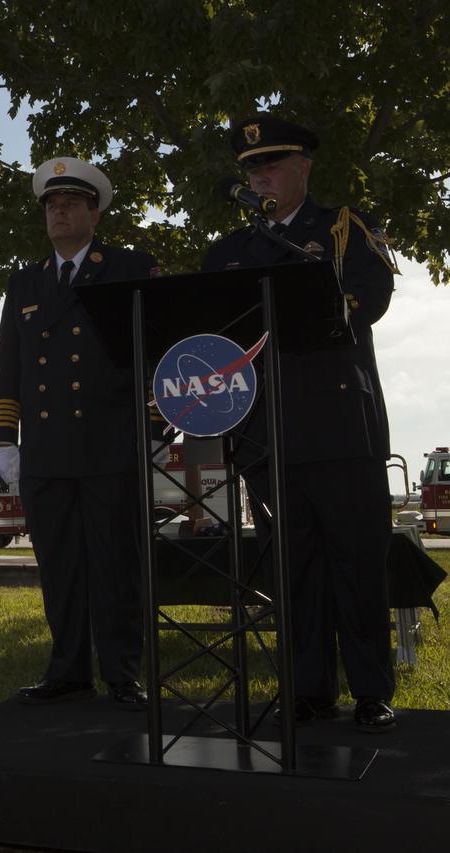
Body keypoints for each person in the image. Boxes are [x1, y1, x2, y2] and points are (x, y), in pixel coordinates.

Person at [202, 114, 398, 731]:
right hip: (267, 434)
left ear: (304, 168)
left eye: (273, 165)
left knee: (357, 564)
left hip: (340, 426)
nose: (261, 176)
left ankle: (371, 692)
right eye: (253, 169)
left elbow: (371, 295)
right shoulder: (230, 253)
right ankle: (310, 690)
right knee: (295, 571)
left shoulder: (339, 230)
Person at [0, 156, 157, 708]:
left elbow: (158, 353)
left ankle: (123, 673)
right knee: (60, 566)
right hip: (46, 451)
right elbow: (8, 363)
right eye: (51, 206)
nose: (59, 213)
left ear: (94, 214)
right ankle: (67, 670)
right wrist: (4, 439)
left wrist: (155, 428)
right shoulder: (26, 281)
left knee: (115, 566)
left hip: (112, 444)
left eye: (69, 204)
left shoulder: (130, 268)